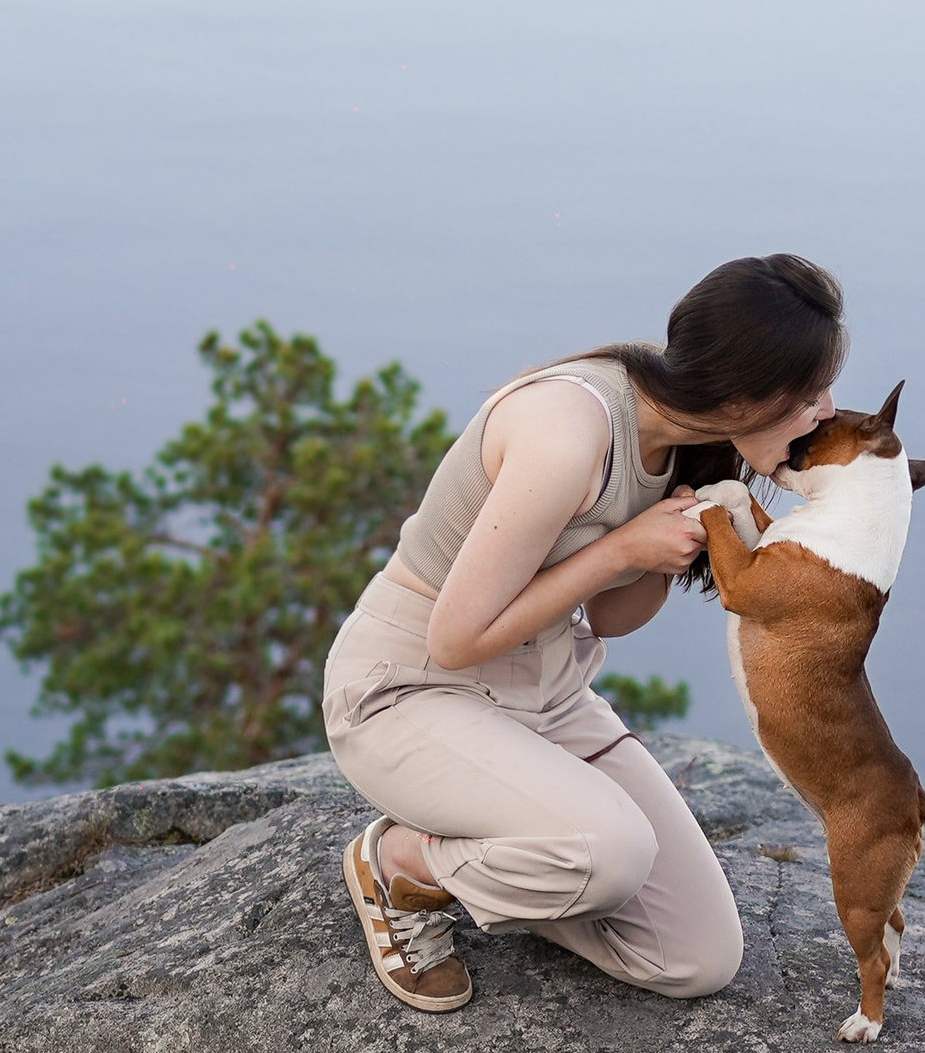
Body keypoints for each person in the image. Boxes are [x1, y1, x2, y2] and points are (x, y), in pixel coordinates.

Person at [323, 252, 848, 1012]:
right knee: (610, 853)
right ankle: (400, 865)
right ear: (743, 396)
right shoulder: (570, 431)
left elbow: (612, 619)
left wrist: (673, 547)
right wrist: (623, 549)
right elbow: (456, 640)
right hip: (410, 691)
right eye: (811, 395)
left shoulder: (682, 442)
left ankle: (530, 862)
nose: (827, 413)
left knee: (697, 957)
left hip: (545, 695)